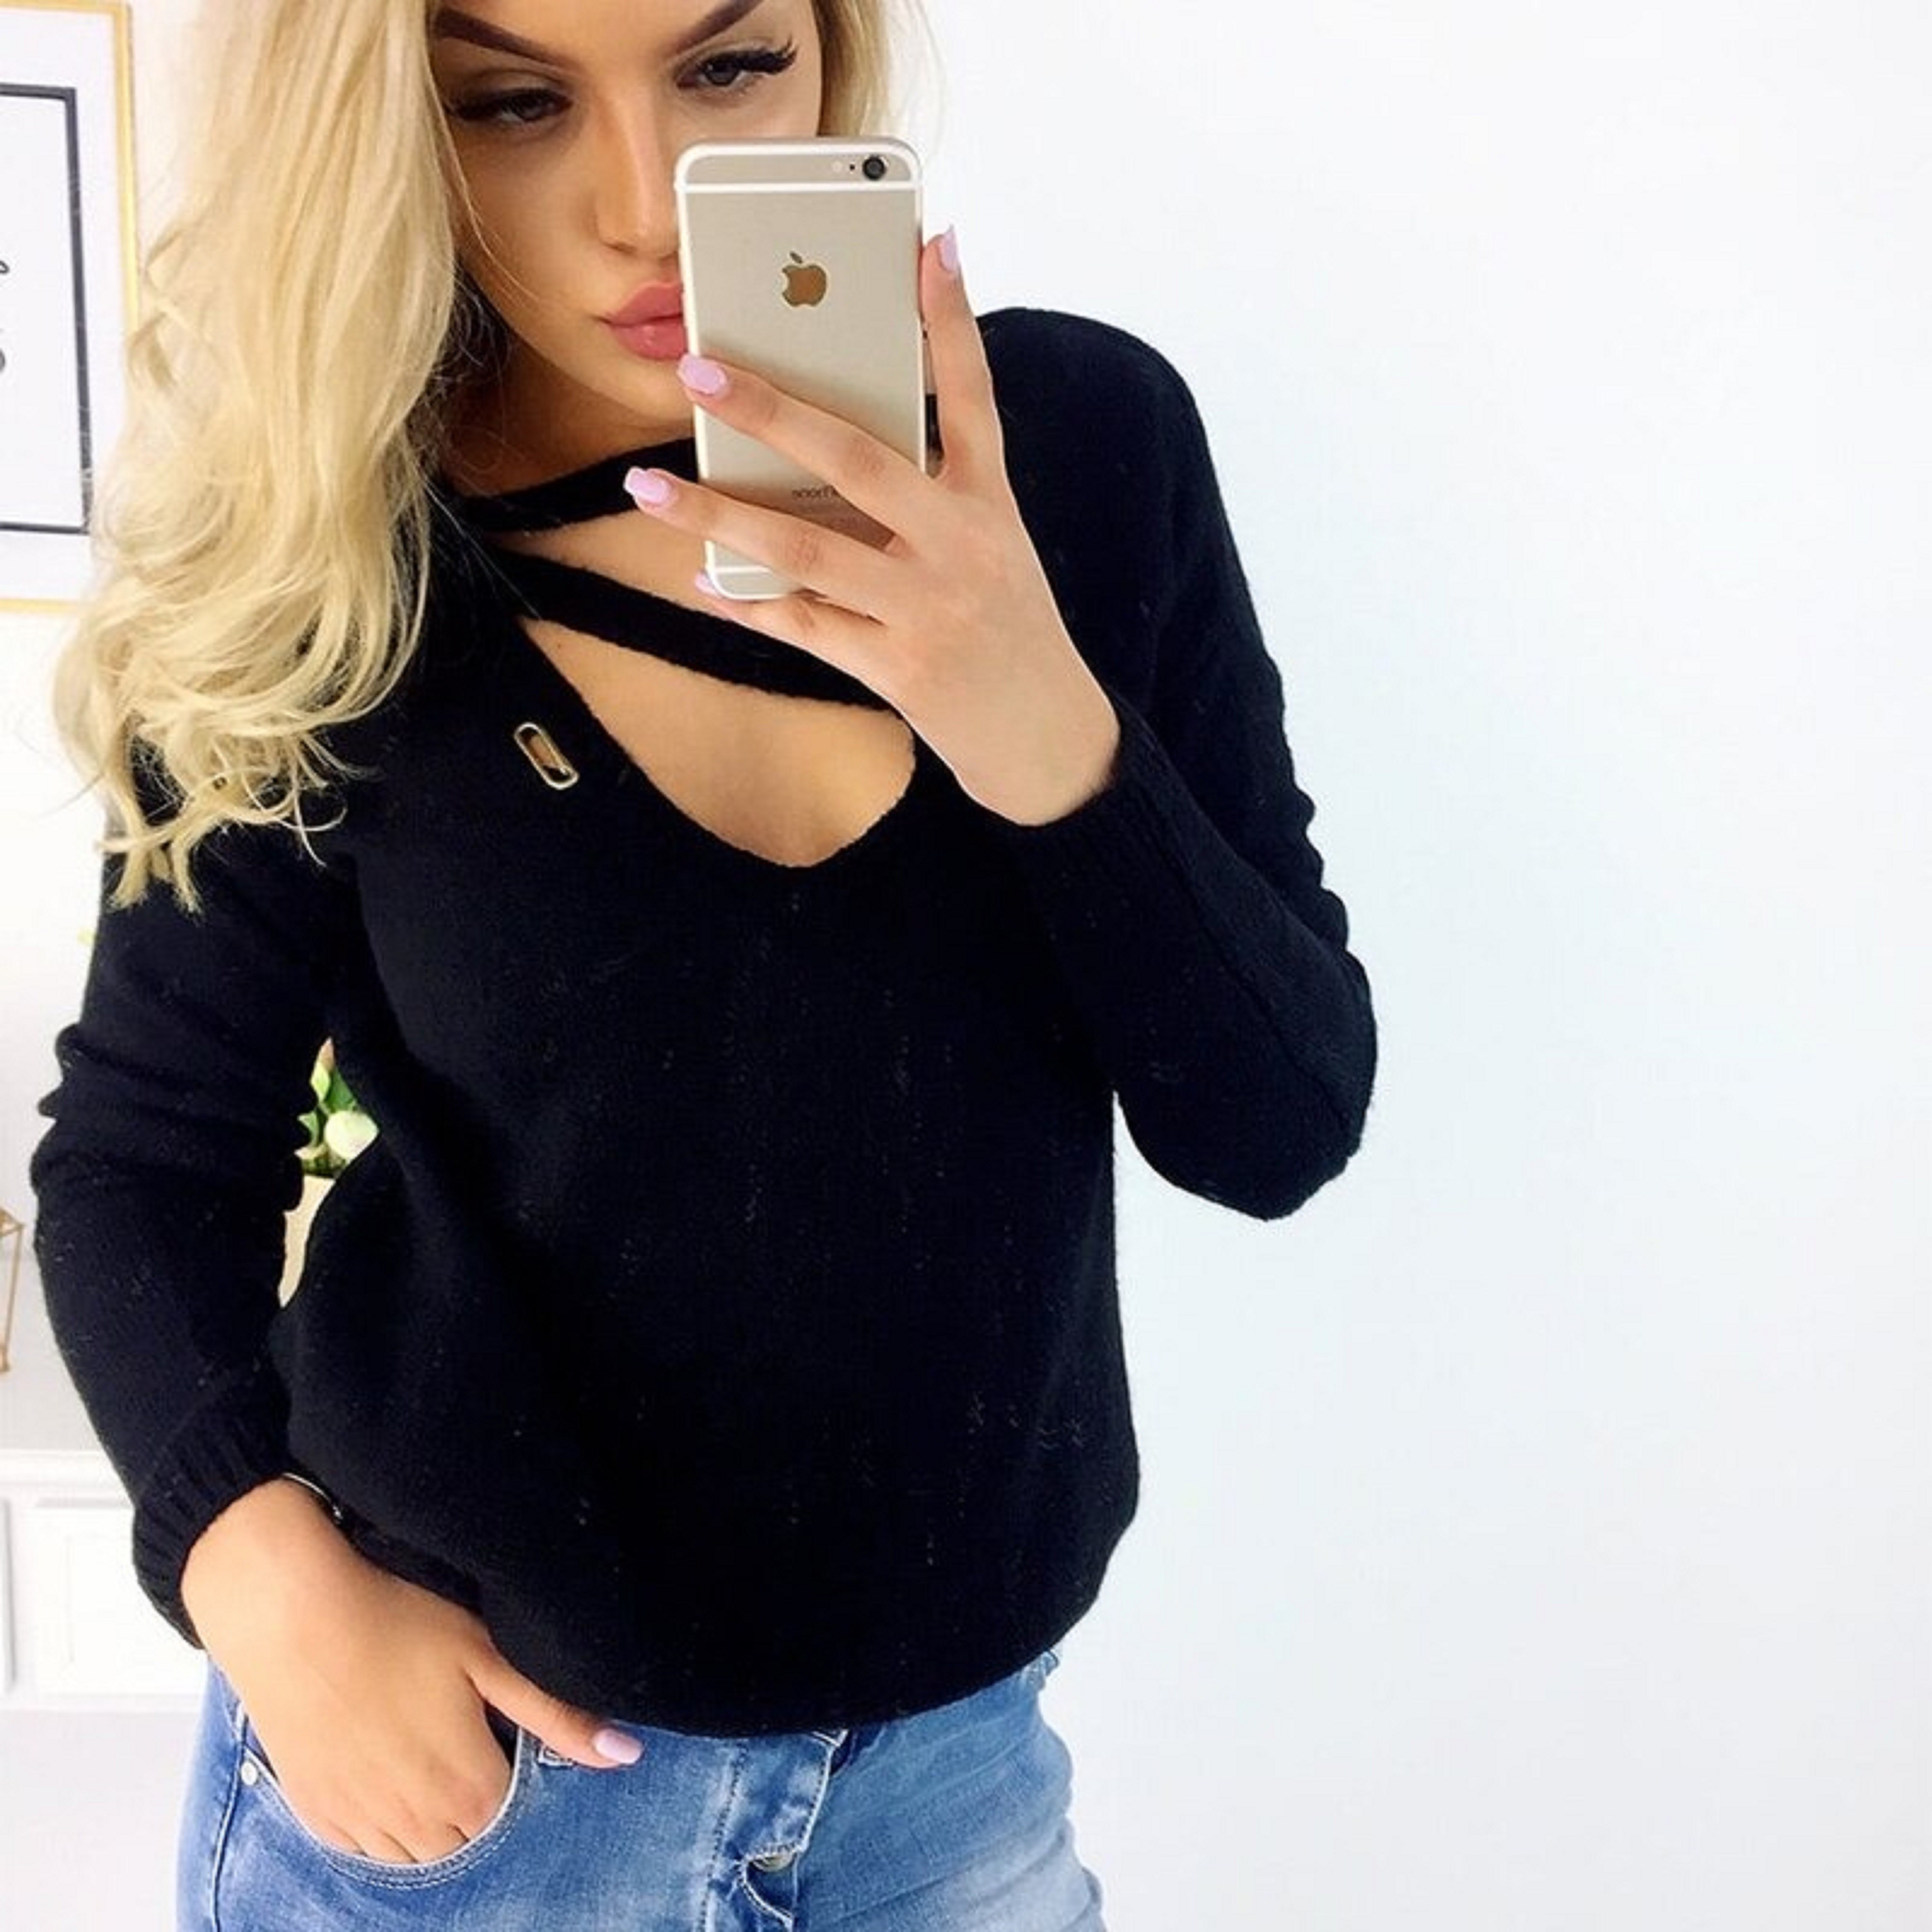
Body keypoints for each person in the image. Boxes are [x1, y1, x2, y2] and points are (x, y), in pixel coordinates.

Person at [29, 0, 1378, 1925]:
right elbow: (147, 1158)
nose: (646, 201)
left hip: (956, 1781)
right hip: (483, 1803)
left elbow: (1275, 1125)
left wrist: (1037, 713)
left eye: (727, 68)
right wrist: (259, 1577)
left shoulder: (1084, 454)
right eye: (513, 102)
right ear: (393, 126)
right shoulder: (329, 559)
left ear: (827, 51)